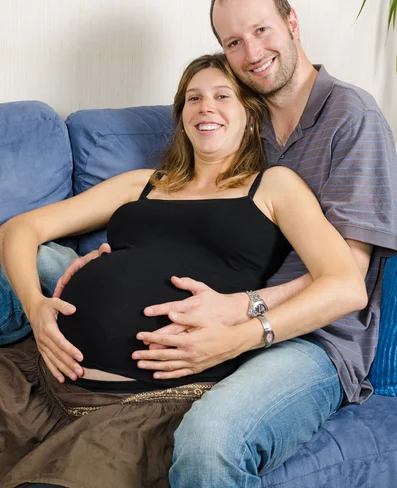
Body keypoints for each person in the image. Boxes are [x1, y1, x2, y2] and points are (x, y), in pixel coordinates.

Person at [51, 0, 397, 487]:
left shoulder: (351, 117)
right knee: (42, 262)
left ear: (292, 23)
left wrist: (244, 315)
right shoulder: (242, 118)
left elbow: (348, 279)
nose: (251, 51)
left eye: (261, 30)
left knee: (210, 442)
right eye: (234, 42)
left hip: (314, 341)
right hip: (217, 304)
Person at [0, 53, 365, 488]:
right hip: (44, 378)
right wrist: (36, 306)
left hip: (147, 404)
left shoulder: (274, 185)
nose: (205, 106)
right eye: (194, 97)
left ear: (250, 116)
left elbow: (345, 285)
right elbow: (22, 228)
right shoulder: (144, 183)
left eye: (221, 96)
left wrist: (246, 332)